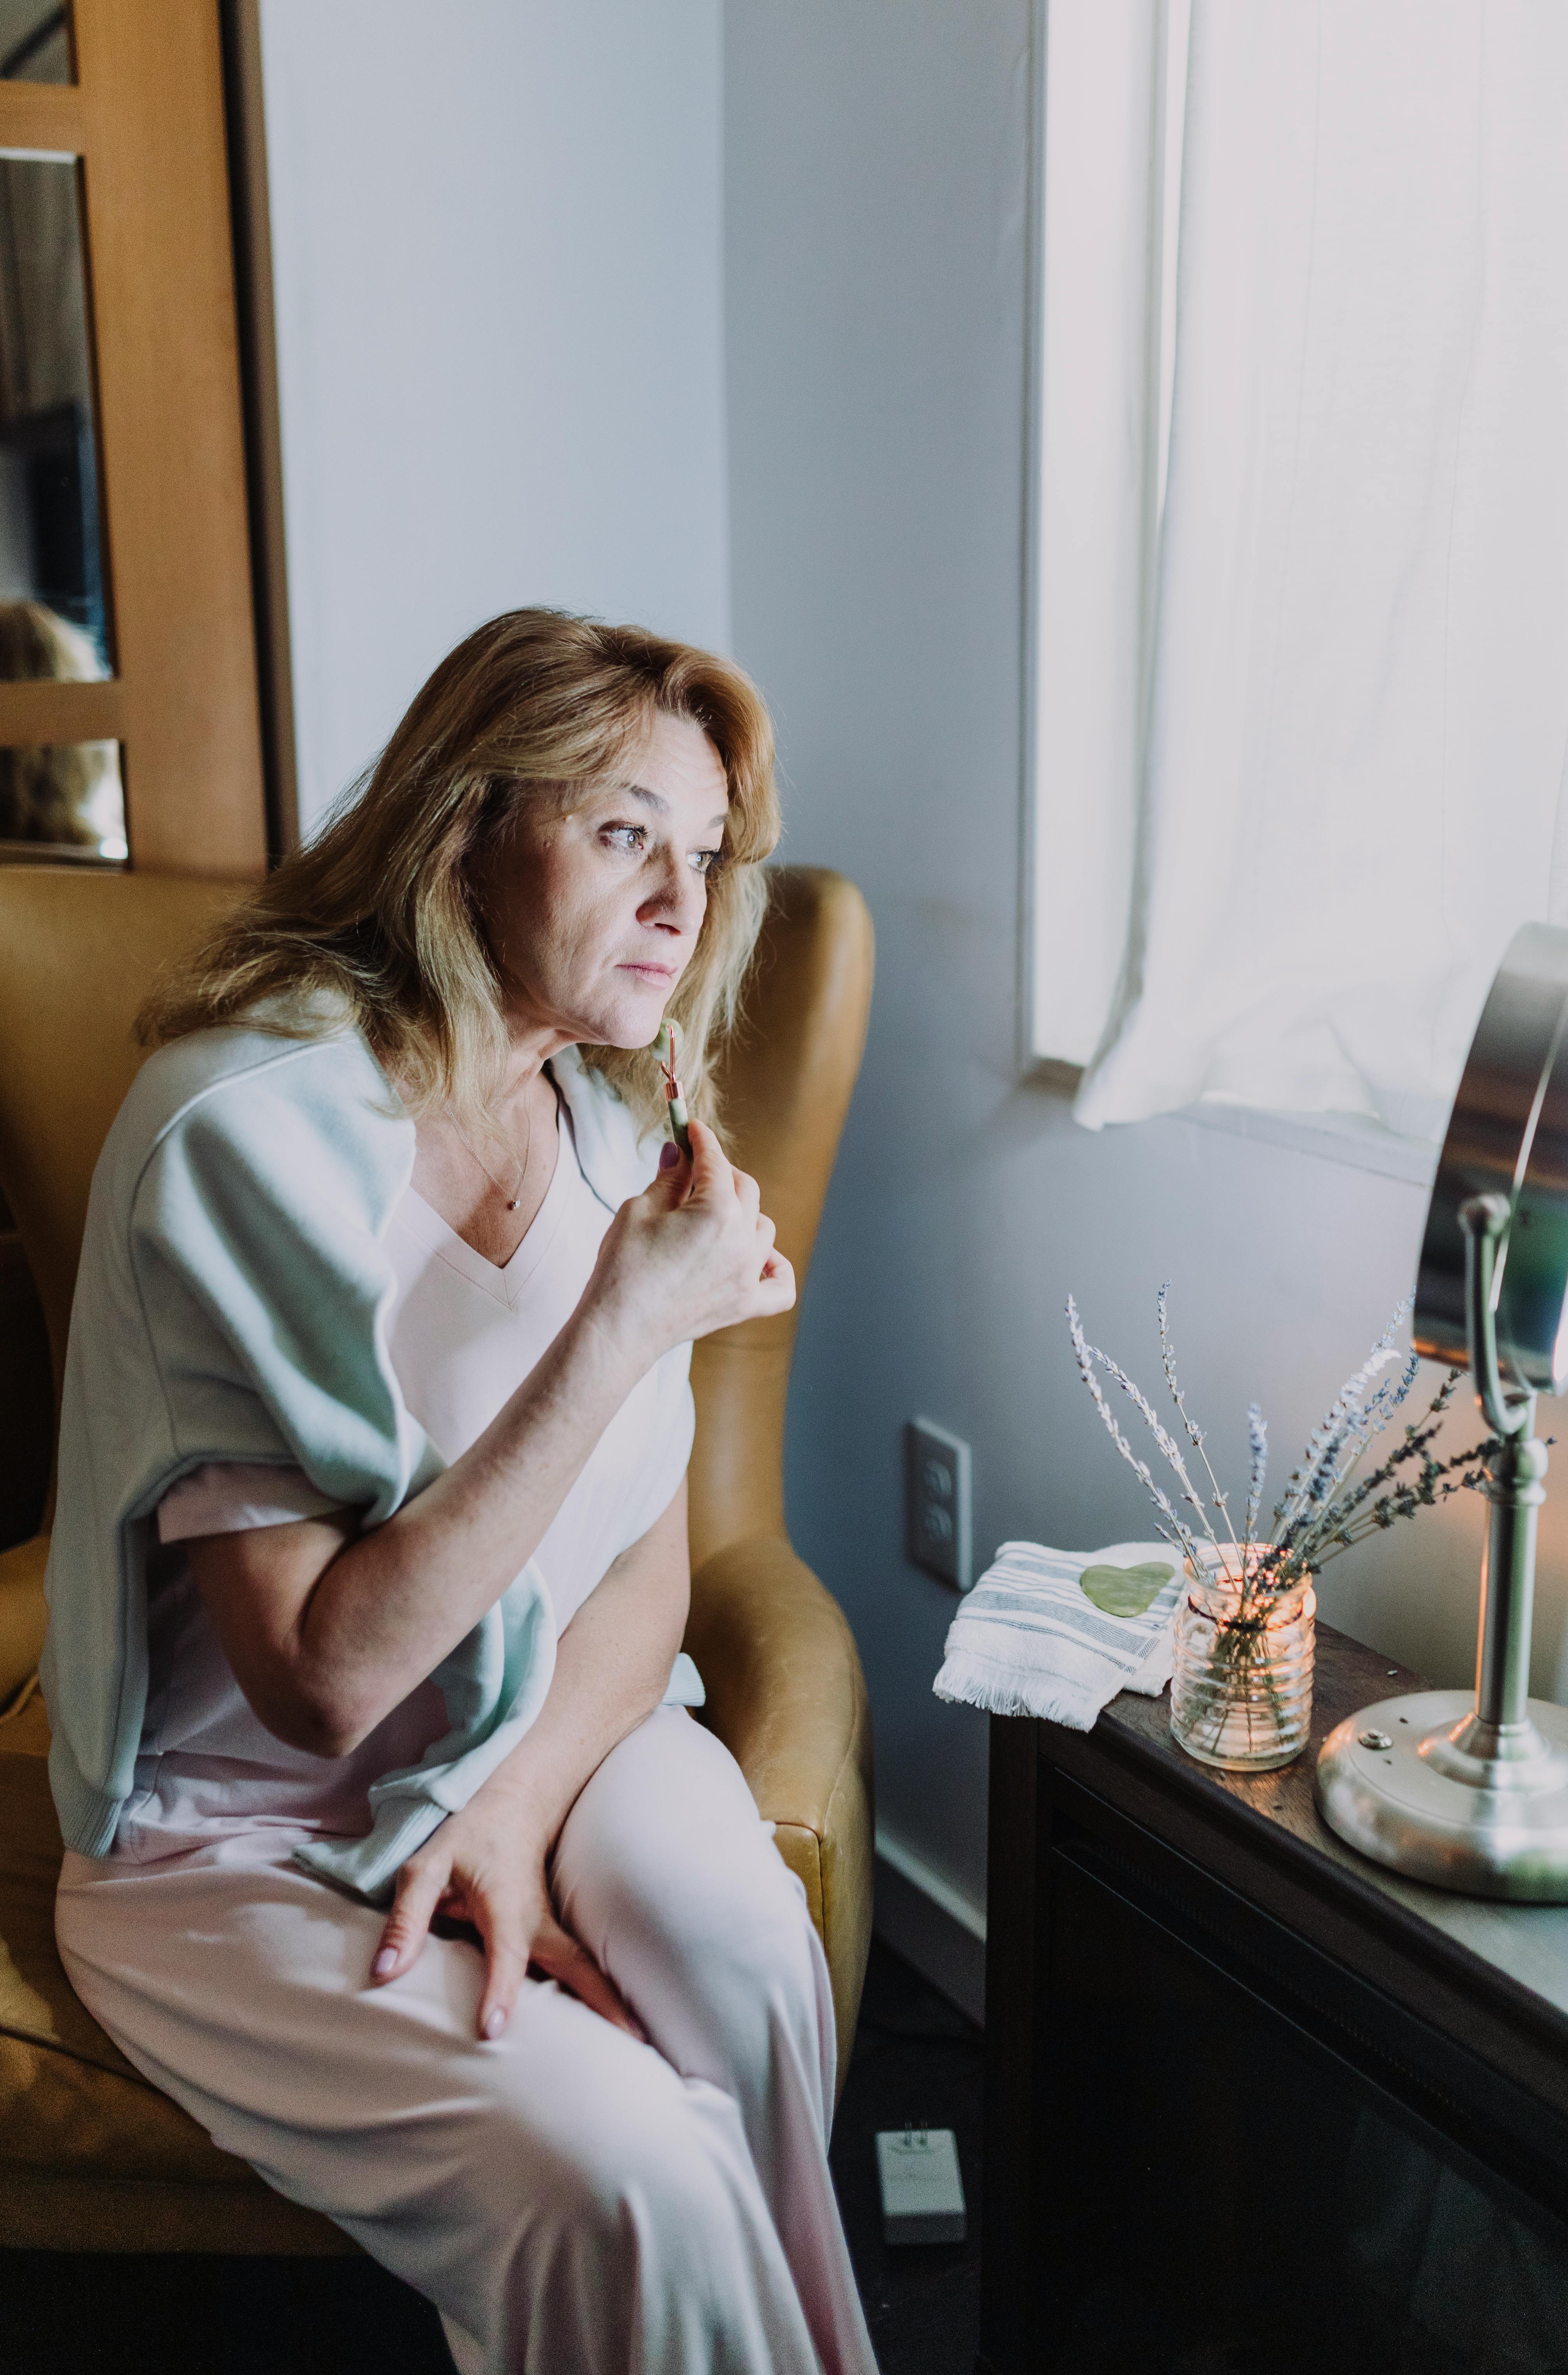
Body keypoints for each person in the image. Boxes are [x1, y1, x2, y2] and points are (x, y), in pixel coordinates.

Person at [44, 609, 878, 2375]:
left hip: (551, 1721)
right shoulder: (248, 1139)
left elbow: (648, 1560)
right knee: (623, 2171)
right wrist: (625, 1321)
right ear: (465, 824)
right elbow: (325, 1680)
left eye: (707, 853)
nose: (683, 900)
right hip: (251, 1829)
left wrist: (507, 1801)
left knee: (742, 1958)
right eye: (624, 830)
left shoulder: (611, 1119)